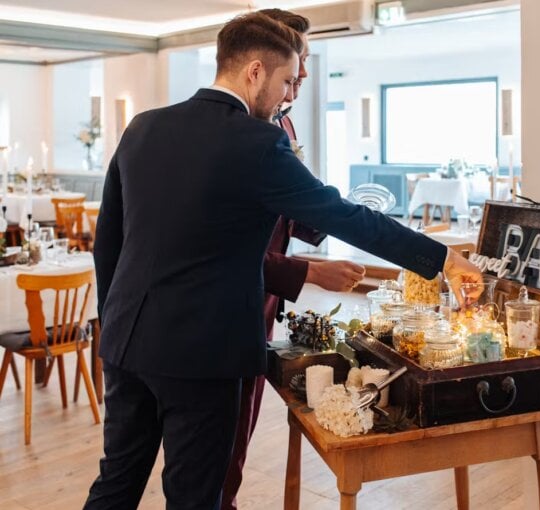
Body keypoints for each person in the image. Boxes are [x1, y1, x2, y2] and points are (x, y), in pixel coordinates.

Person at [85, 11, 481, 510]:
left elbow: (109, 243)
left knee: (115, 484)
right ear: (254, 71)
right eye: (288, 80)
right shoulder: (256, 143)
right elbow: (344, 215)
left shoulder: (143, 127)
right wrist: (443, 259)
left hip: (125, 342)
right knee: (193, 497)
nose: (289, 94)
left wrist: (114, 322)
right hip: (202, 355)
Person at [219, 9, 360, 510]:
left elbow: (279, 197)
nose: (295, 90)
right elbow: (222, 241)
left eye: (301, 79)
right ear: (262, 65)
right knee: (222, 443)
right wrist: (308, 270)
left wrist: (316, 215)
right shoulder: (232, 131)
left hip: (263, 303)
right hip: (227, 308)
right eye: (291, 78)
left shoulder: (280, 120)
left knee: (241, 431)